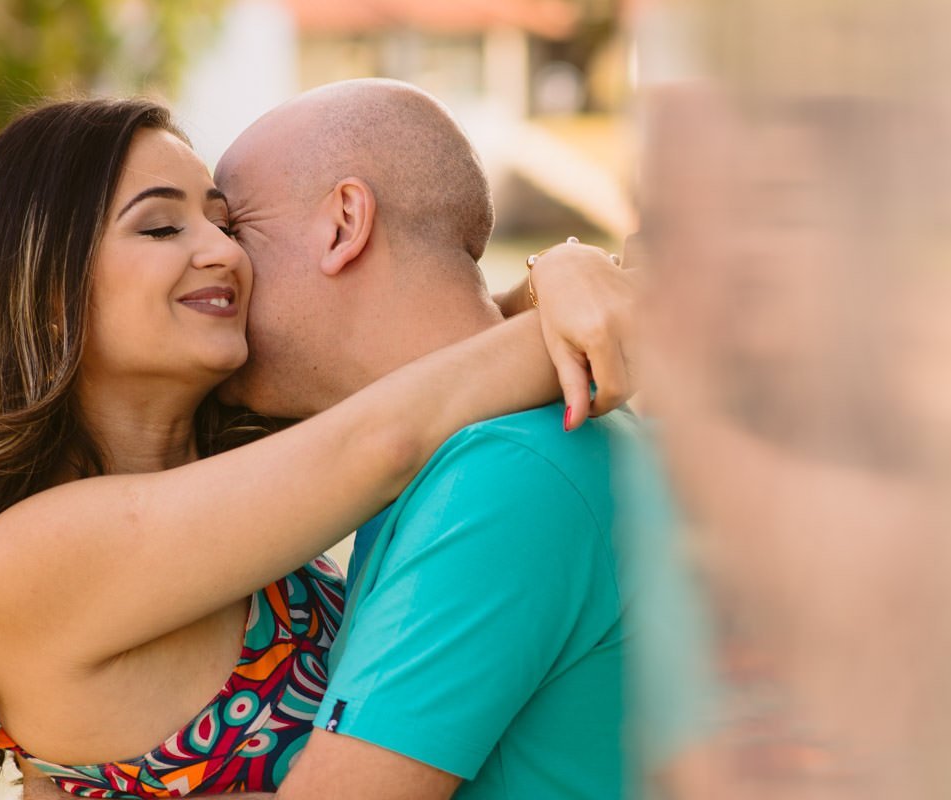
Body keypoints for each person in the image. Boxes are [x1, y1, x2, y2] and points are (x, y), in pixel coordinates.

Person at [0, 96, 632, 798]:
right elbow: (389, 433)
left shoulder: (249, 476)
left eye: (228, 224)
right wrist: (607, 307)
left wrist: (561, 276)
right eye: (160, 228)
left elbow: (417, 364)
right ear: (49, 293)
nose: (224, 253)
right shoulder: (32, 557)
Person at [211, 78, 636, 799]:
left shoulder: (507, 473)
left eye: (234, 230)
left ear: (343, 224)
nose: (219, 265)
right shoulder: (482, 451)